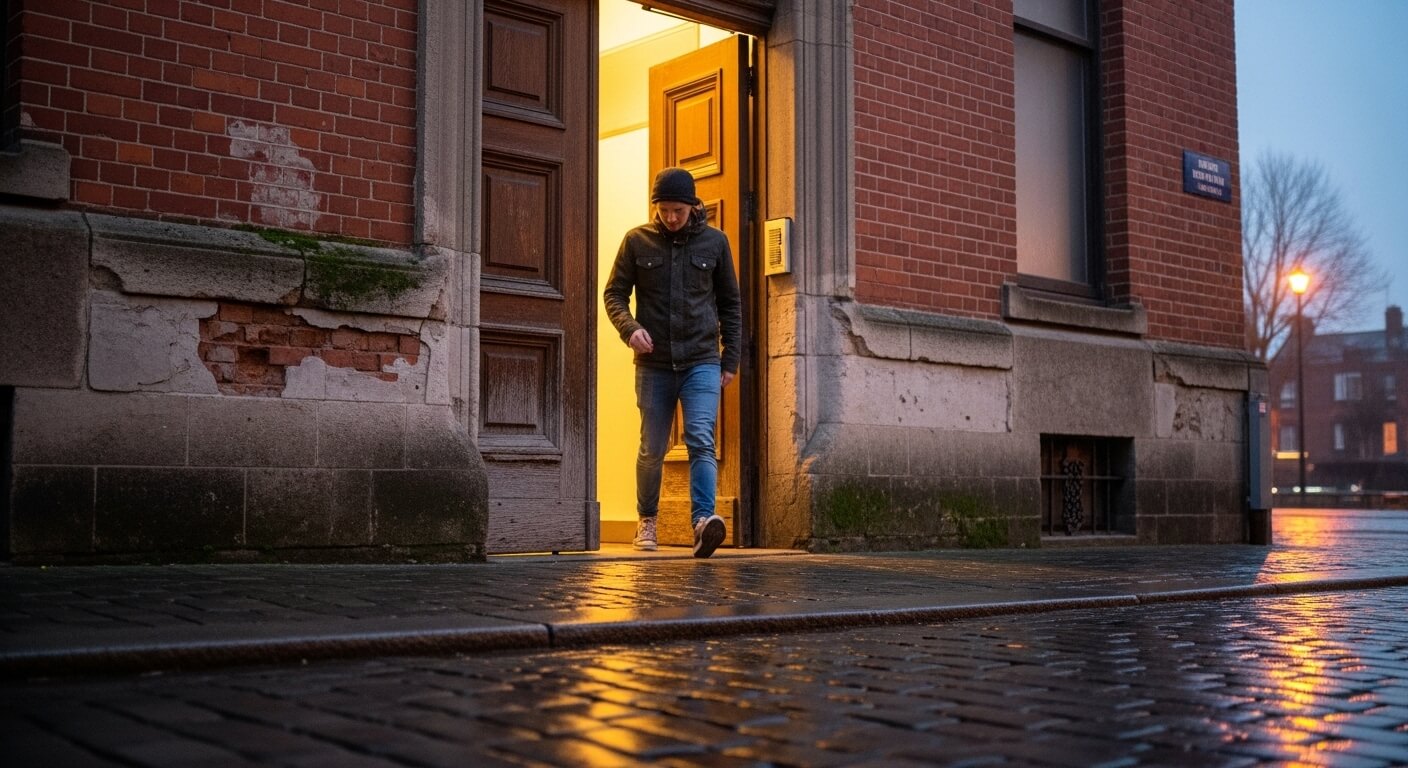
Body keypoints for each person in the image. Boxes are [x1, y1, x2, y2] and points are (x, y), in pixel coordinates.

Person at [603, 167, 742, 558]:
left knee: (700, 438)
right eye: (664, 210)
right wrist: (630, 329)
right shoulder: (636, 241)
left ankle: (703, 522)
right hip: (654, 364)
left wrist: (730, 358)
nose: (671, 217)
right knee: (652, 446)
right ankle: (647, 520)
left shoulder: (715, 242)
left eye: (678, 210)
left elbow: (730, 303)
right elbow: (614, 294)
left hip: (701, 360)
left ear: (693, 206)